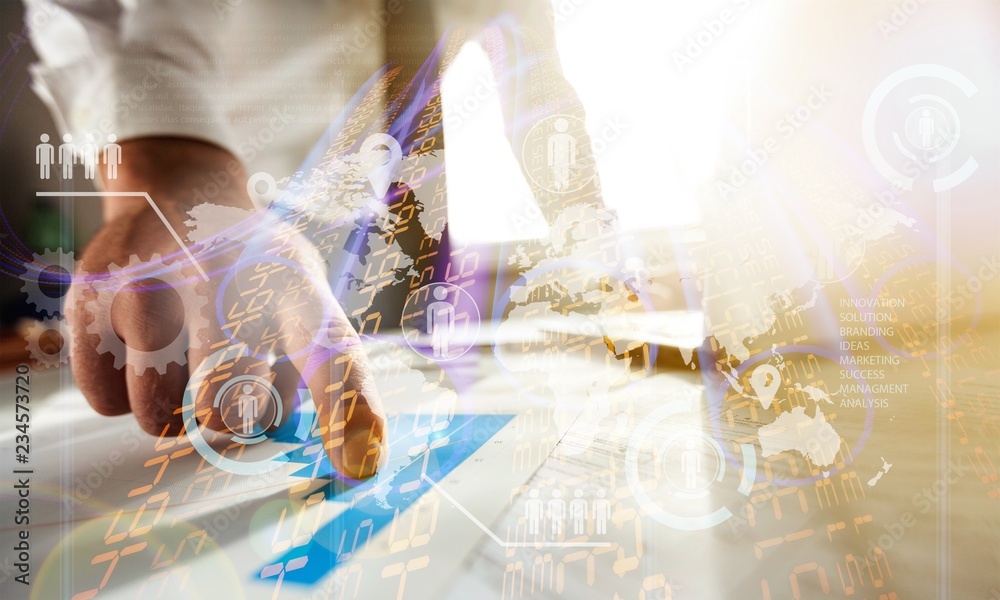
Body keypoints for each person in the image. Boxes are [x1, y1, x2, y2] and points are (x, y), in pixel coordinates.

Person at [24, 0, 606, 480]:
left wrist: (591, 240)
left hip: (387, 228)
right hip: (219, 217)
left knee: (362, 403)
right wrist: (164, 162)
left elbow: (539, 96)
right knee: (222, 439)